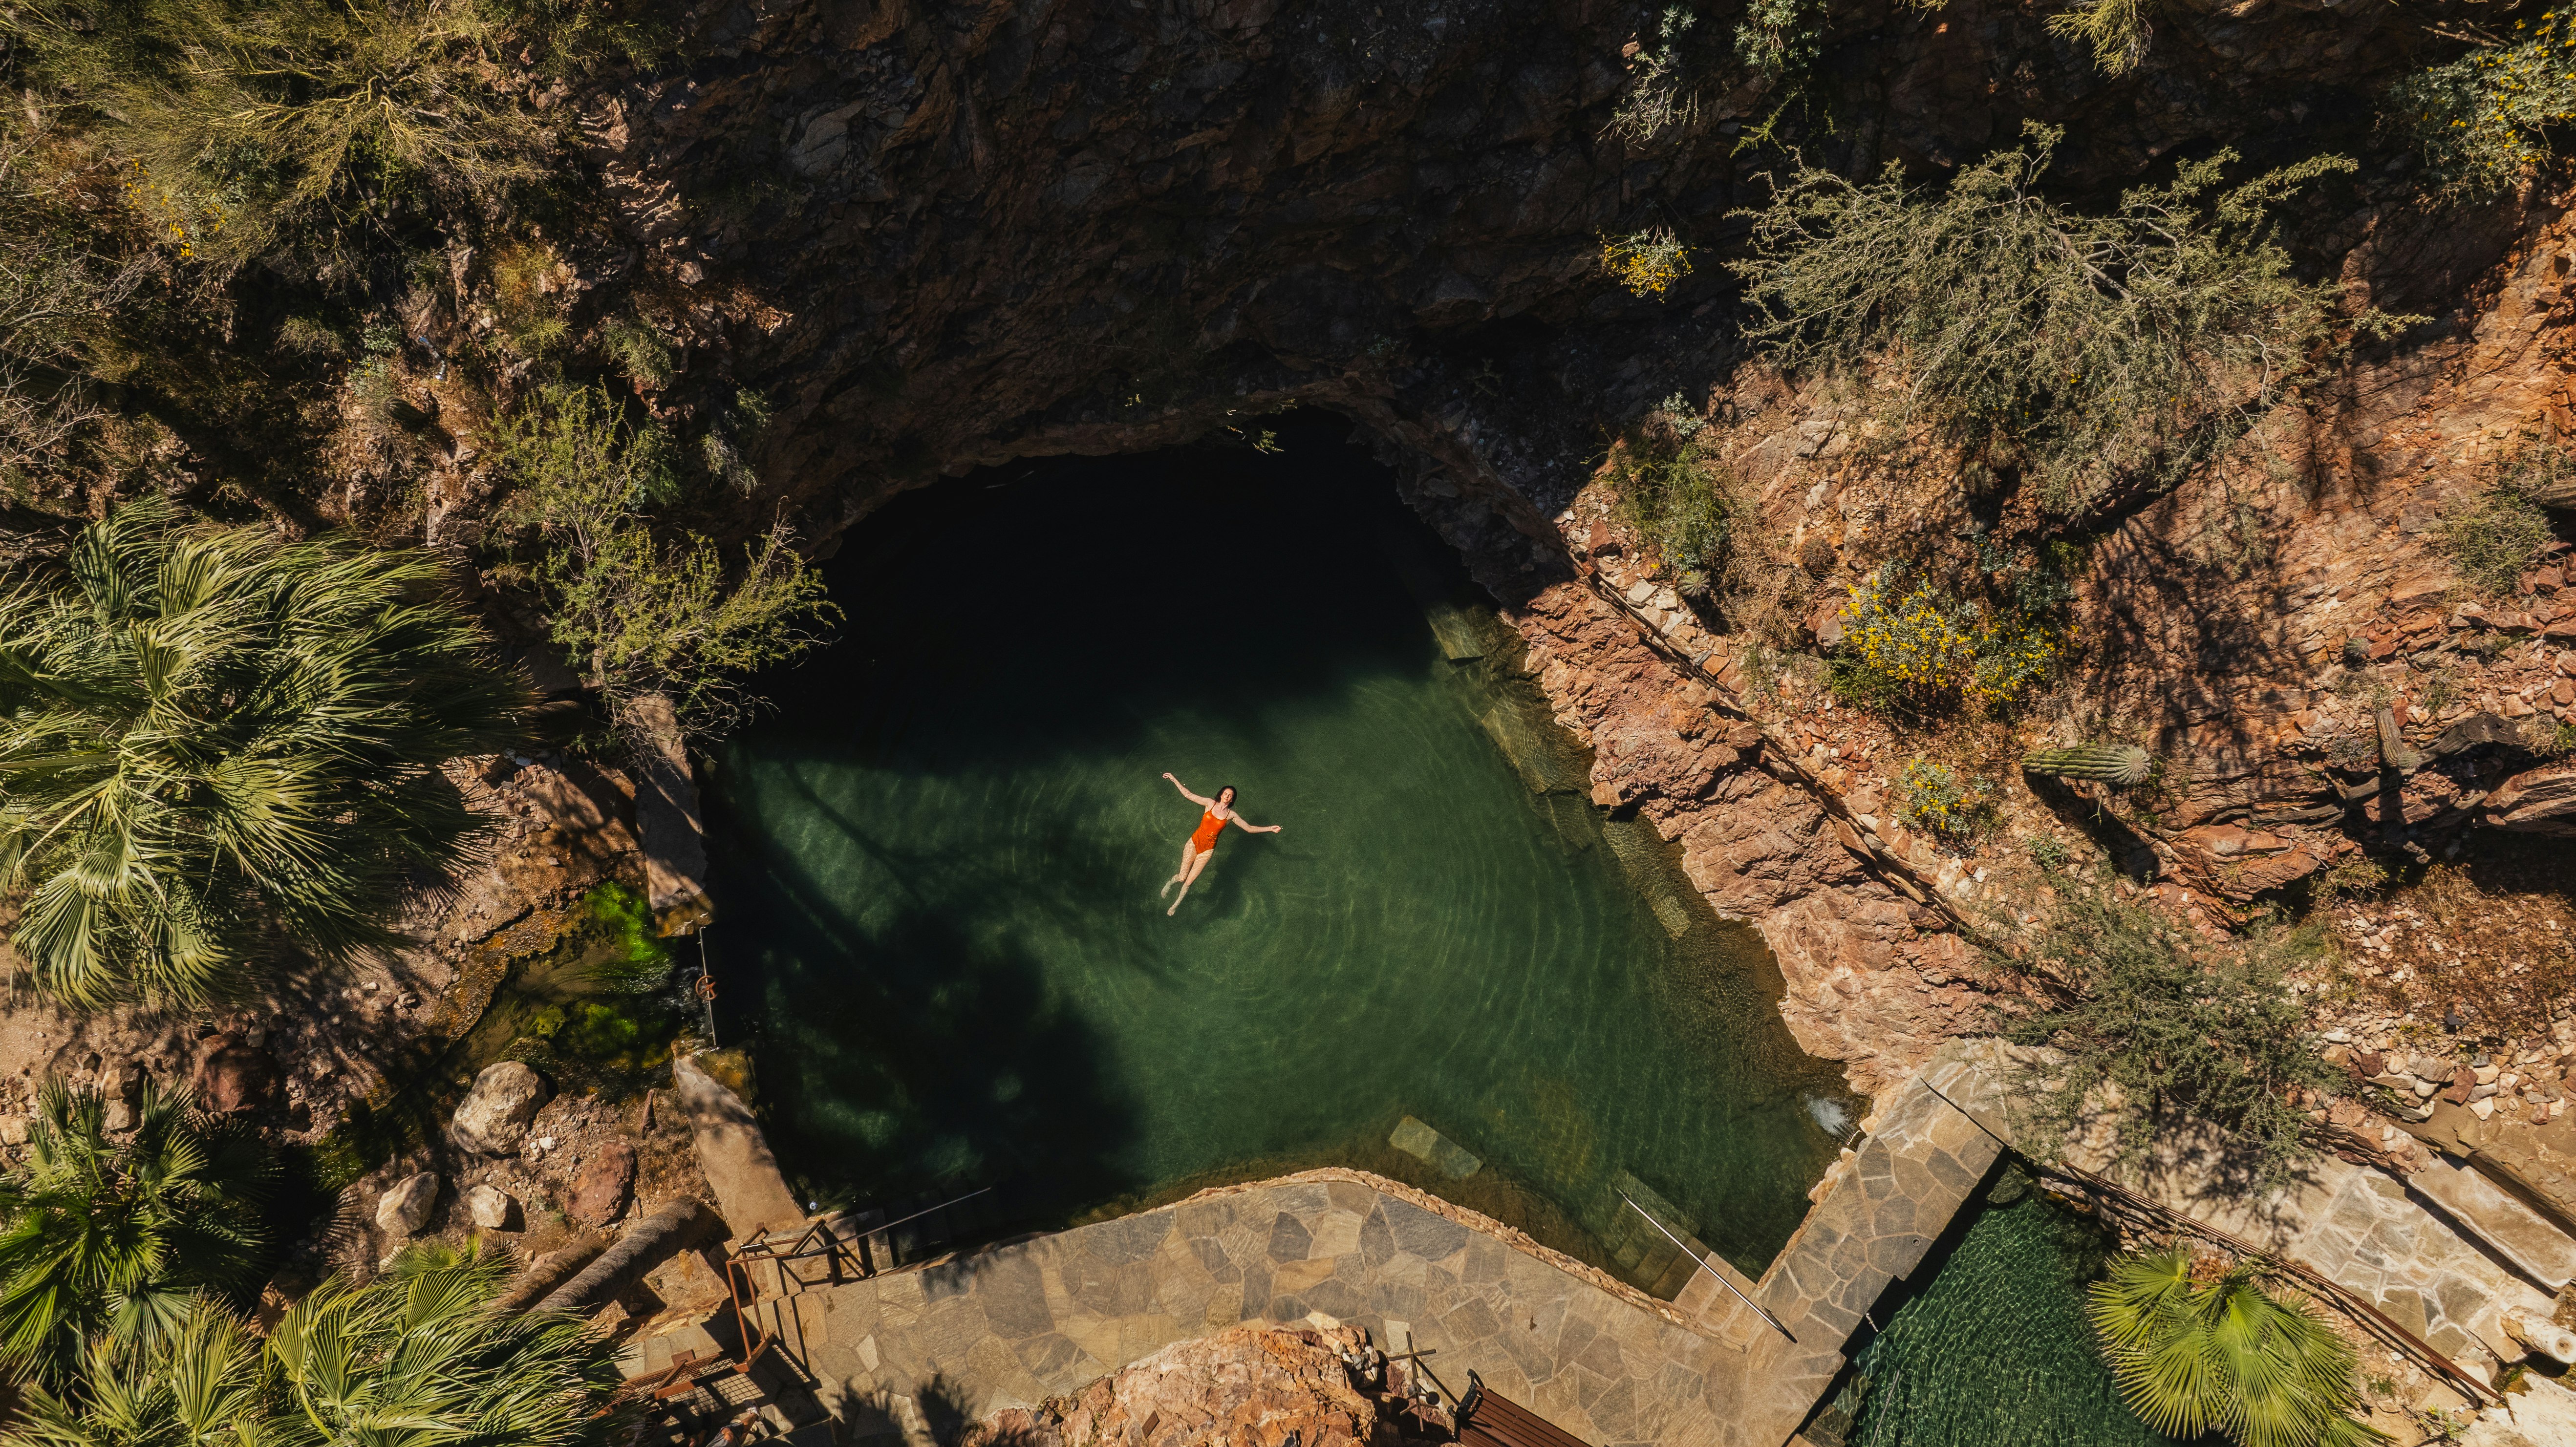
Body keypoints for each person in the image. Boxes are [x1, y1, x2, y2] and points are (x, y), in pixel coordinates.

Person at [1159, 772, 1281, 915]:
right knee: (1182, 878)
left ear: (1232, 800)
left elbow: (1248, 828)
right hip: (1194, 843)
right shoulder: (1210, 804)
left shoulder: (1231, 816)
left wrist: (1270, 829)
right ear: (1221, 794)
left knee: (1189, 882)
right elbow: (1189, 795)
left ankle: (1176, 905)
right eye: (1226, 793)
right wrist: (1173, 779)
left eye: (1230, 796)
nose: (1227, 796)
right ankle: (1170, 883)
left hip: (1207, 851)